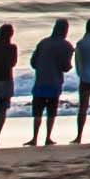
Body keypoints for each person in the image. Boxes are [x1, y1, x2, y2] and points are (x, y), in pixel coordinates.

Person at [26, 18, 74, 146]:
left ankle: (34, 138)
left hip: (40, 81)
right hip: (55, 82)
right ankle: (48, 137)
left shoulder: (43, 43)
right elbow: (66, 67)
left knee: (37, 112)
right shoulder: (67, 46)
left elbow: (33, 63)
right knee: (51, 112)